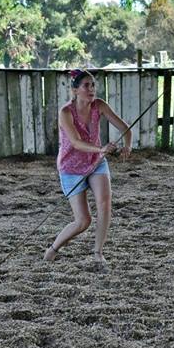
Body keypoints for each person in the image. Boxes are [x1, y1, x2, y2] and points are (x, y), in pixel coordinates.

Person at [44, 69, 131, 266]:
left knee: (105, 203)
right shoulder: (66, 112)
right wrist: (101, 148)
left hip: (96, 162)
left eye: (93, 85)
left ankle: (98, 253)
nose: (91, 89)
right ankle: (53, 248)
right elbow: (75, 142)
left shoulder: (99, 105)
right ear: (75, 90)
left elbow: (125, 127)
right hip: (71, 167)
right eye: (86, 86)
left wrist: (128, 145)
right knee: (83, 221)